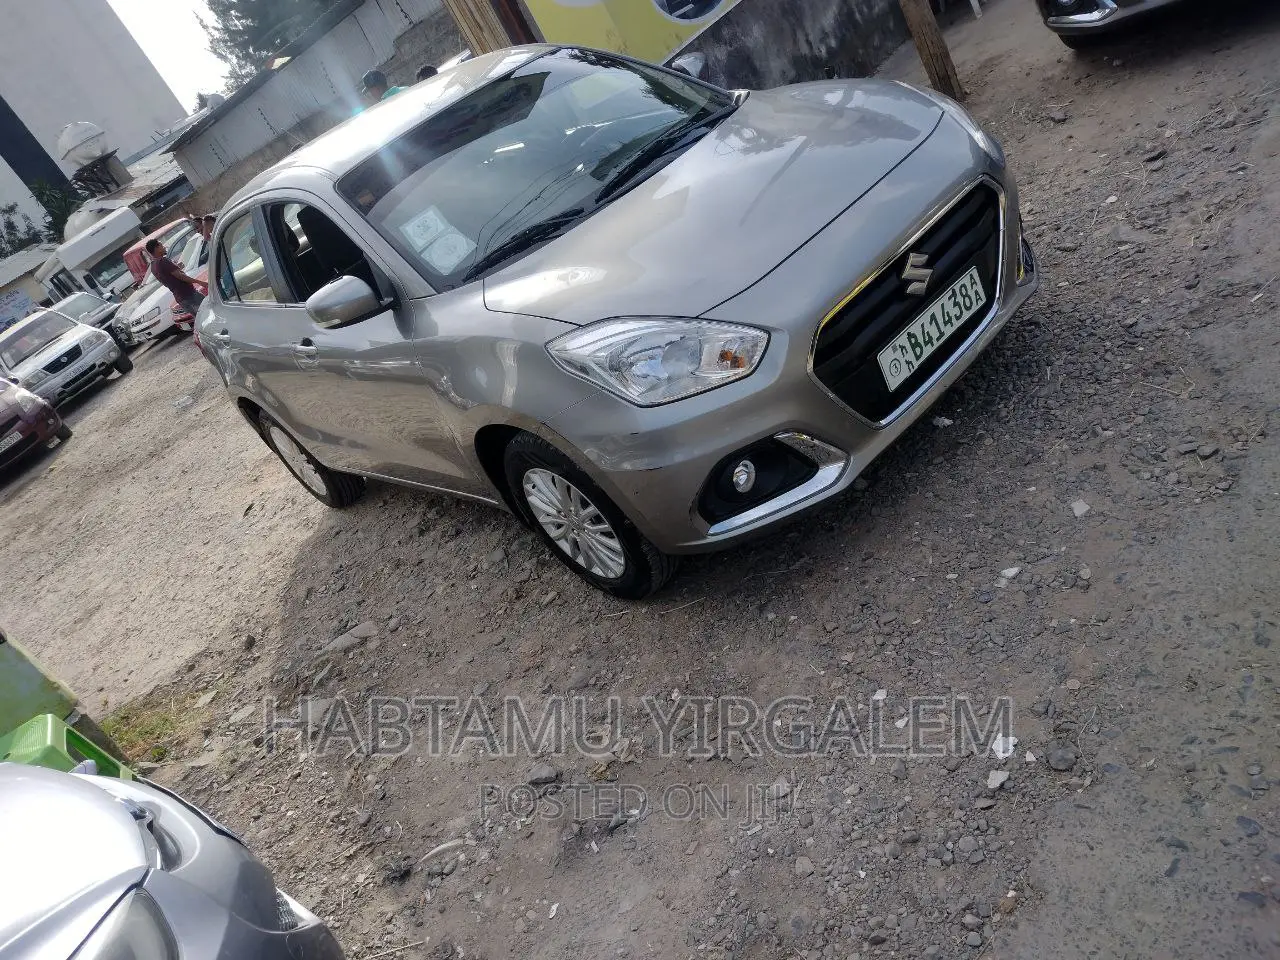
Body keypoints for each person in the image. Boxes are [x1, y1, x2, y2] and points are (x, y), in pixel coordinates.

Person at [146, 238, 207, 319]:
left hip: (181, 299)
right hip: (189, 295)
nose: (164, 247)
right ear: (156, 248)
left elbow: (167, 277)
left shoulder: (153, 266)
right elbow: (180, 276)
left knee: (201, 319)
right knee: (208, 312)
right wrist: (199, 282)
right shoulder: (163, 261)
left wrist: (177, 268)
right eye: (161, 245)